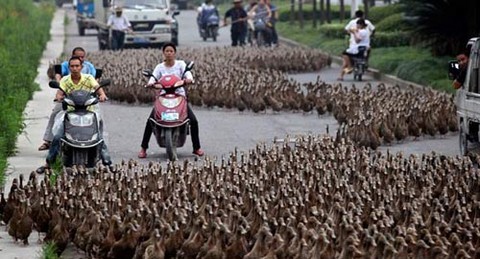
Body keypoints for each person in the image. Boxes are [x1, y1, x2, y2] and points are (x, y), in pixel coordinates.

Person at [36, 56, 110, 173]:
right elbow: (59, 93)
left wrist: (102, 95)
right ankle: (48, 163)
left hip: (89, 111)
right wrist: (59, 97)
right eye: (72, 66)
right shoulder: (65, 80)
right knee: (57, 136)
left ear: (81, 67)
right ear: (69, 67)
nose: (75, 68)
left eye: (77, 66)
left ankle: (107, 161)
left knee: (99, 136)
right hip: (70, 111)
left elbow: (98, 89)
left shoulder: (89, 78)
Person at [138, 42, 204, 158]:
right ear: (163, 53)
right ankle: (143, 148)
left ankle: (197, 148)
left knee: (193, 121)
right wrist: (151, 84)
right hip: (163, 97)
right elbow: (152, 79)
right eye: (166, 51)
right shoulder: (159, 67)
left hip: (179, 96)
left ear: (175, 53)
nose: (169, 53)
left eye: (171, 51)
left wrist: (188, 80)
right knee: (150, 121)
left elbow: (188, 75)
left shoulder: (180, 65)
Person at [38, 47, 96, 151]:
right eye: (78, 56)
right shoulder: (66, 66)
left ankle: (97, 142)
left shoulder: (89, 67)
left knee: (97, 118)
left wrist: (100, 94)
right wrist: (59, 90)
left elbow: (95, 81)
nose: (80, 59)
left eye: (82, 57)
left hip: (85, 99)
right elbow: (58, 75)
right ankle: (48, 140)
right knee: (55, 113)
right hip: (68, 98)